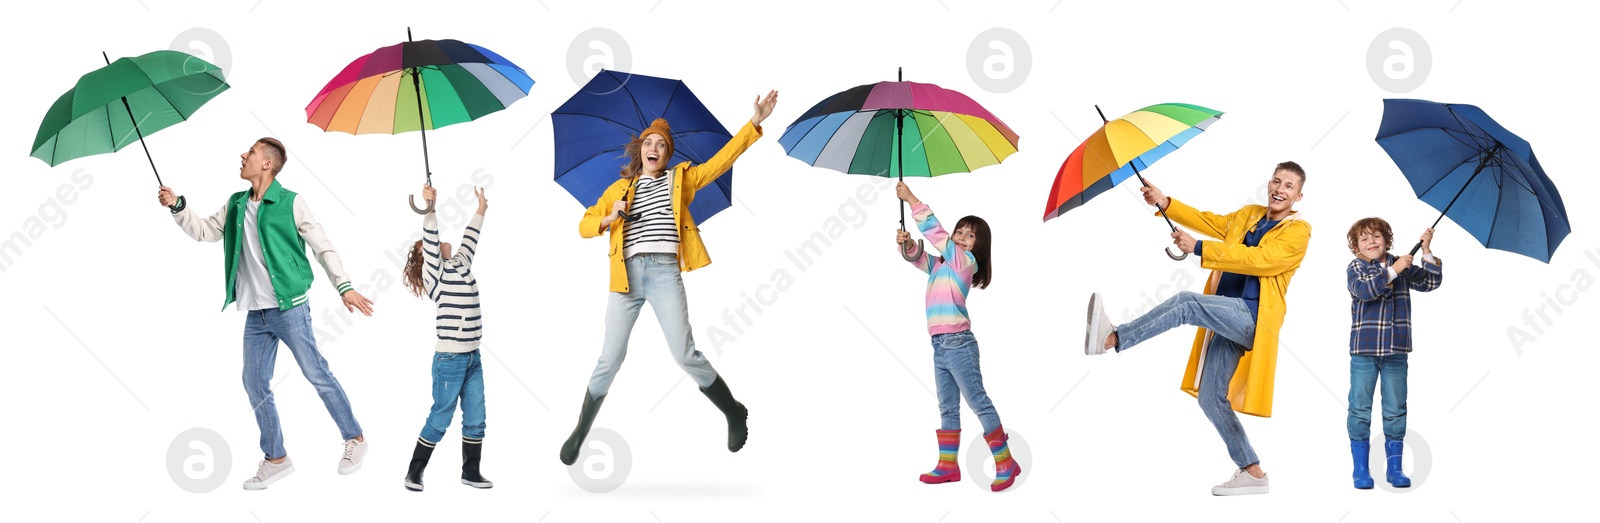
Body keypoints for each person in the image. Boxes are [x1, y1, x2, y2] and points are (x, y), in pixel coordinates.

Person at [559, 91, 779, 466]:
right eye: (649, 142)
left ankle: (732, 410)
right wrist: (608, 218)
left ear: (667, 154)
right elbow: (582, 225)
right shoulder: (618, 190)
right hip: (625, 280)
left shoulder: (682, 180)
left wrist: (754, 123)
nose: (654, 148)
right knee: (609, 359)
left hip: (664, 274)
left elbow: (720, 162)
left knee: (684, 353)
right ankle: (581, 430)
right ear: (640, 150)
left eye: (662, 145)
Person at [158, 137, 375, 490]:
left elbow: (322, 245)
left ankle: (356, 438)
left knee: (315, 372)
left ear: (267, 164)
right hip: (256, 314)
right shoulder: (237, 204)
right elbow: (204, 231)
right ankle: (277, 458)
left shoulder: (291, 202)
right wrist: (178, 205)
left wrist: (344, 286)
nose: (243, 155)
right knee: (254, 381)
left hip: (289, 308)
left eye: (251, 152)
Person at [1083, 162, 1312, 496]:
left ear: (1298, 195)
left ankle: (1113, 337)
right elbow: (1209, 221)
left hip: (1253, 318)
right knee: (1209, 398)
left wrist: (1200, 248)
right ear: (1268, 183)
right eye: (1276, 181)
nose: (1280, 189)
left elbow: (1259, 260)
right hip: (1226, 316)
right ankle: (1253, 472)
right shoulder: (1250, 214)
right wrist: (1165, 202)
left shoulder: (1298, 231)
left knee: (1187, 304)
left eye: (1288, 186)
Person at [895, 182, 1021, 492]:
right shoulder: (942, 265)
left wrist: (912, 200)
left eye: (970, 235)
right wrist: (906, 244)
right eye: (960, 232)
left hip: (959, 344)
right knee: (947, 408)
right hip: (939, 345)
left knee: (978, 401)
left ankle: (1006, 461)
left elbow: (936, 234)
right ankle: (948, 465)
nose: (962, 237)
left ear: (978, 246)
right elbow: (918, 258)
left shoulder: (965, 263)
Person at [401, 184, 493, 491]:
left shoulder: (461, 264)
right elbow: (430, 240)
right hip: (449, 360)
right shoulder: (435, 276)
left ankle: (471, 471)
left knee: (477, 415)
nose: (441, 243)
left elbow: (471, 238)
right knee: (441, 416)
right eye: (434, 245)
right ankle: (415, 471)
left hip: (473, 357)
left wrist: (481, 209)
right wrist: (431, 208)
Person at [1344, 219, 1442, 489]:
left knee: (1395, 409)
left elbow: (1431, 282)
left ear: (1387, 240)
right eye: (1364, 239)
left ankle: (1395, 469)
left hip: (1396, 351)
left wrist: (1426, 251)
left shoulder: (1403, 262)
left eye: (1376, 237)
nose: (1371, 242)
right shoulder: (1357, 267)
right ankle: (1360, 470)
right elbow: (1365, 291)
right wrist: (1392, 271)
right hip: (1364, 351)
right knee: (1360, 408)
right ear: (1357, 247)